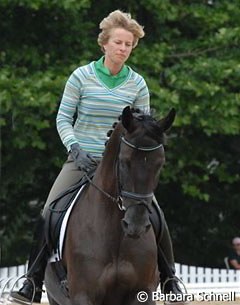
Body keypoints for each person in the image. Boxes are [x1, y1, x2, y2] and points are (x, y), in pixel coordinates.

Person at [11, 10, 183, 304]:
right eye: (118, 42)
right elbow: (64, 118)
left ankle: (170, 280)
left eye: (128, 44)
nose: (123, 49)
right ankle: (32, 281)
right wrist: (74, 148)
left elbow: (141, 127)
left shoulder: (137, 83)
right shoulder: (81, 76)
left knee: (155, 213)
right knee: (50, 209)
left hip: (123, 165)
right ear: (104, 43)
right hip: (81, 158)